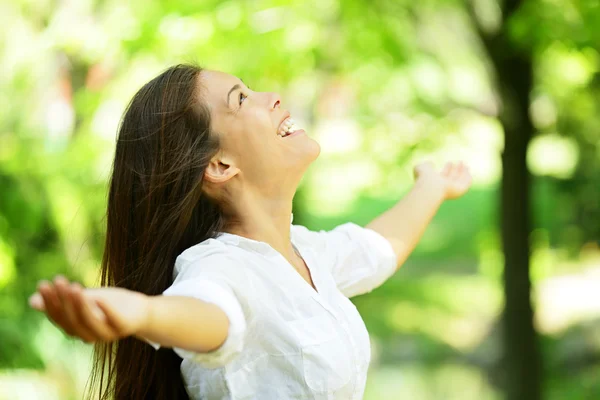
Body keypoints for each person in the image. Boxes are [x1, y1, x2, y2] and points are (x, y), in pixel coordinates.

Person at [28, 64, 472, 400]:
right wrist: (144, 315)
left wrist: (432, 187)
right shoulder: (219, 268)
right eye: (241, 100)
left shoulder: (304, 252)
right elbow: (211, 315)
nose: (273, 97)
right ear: (220, 166)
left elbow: (376, 249)